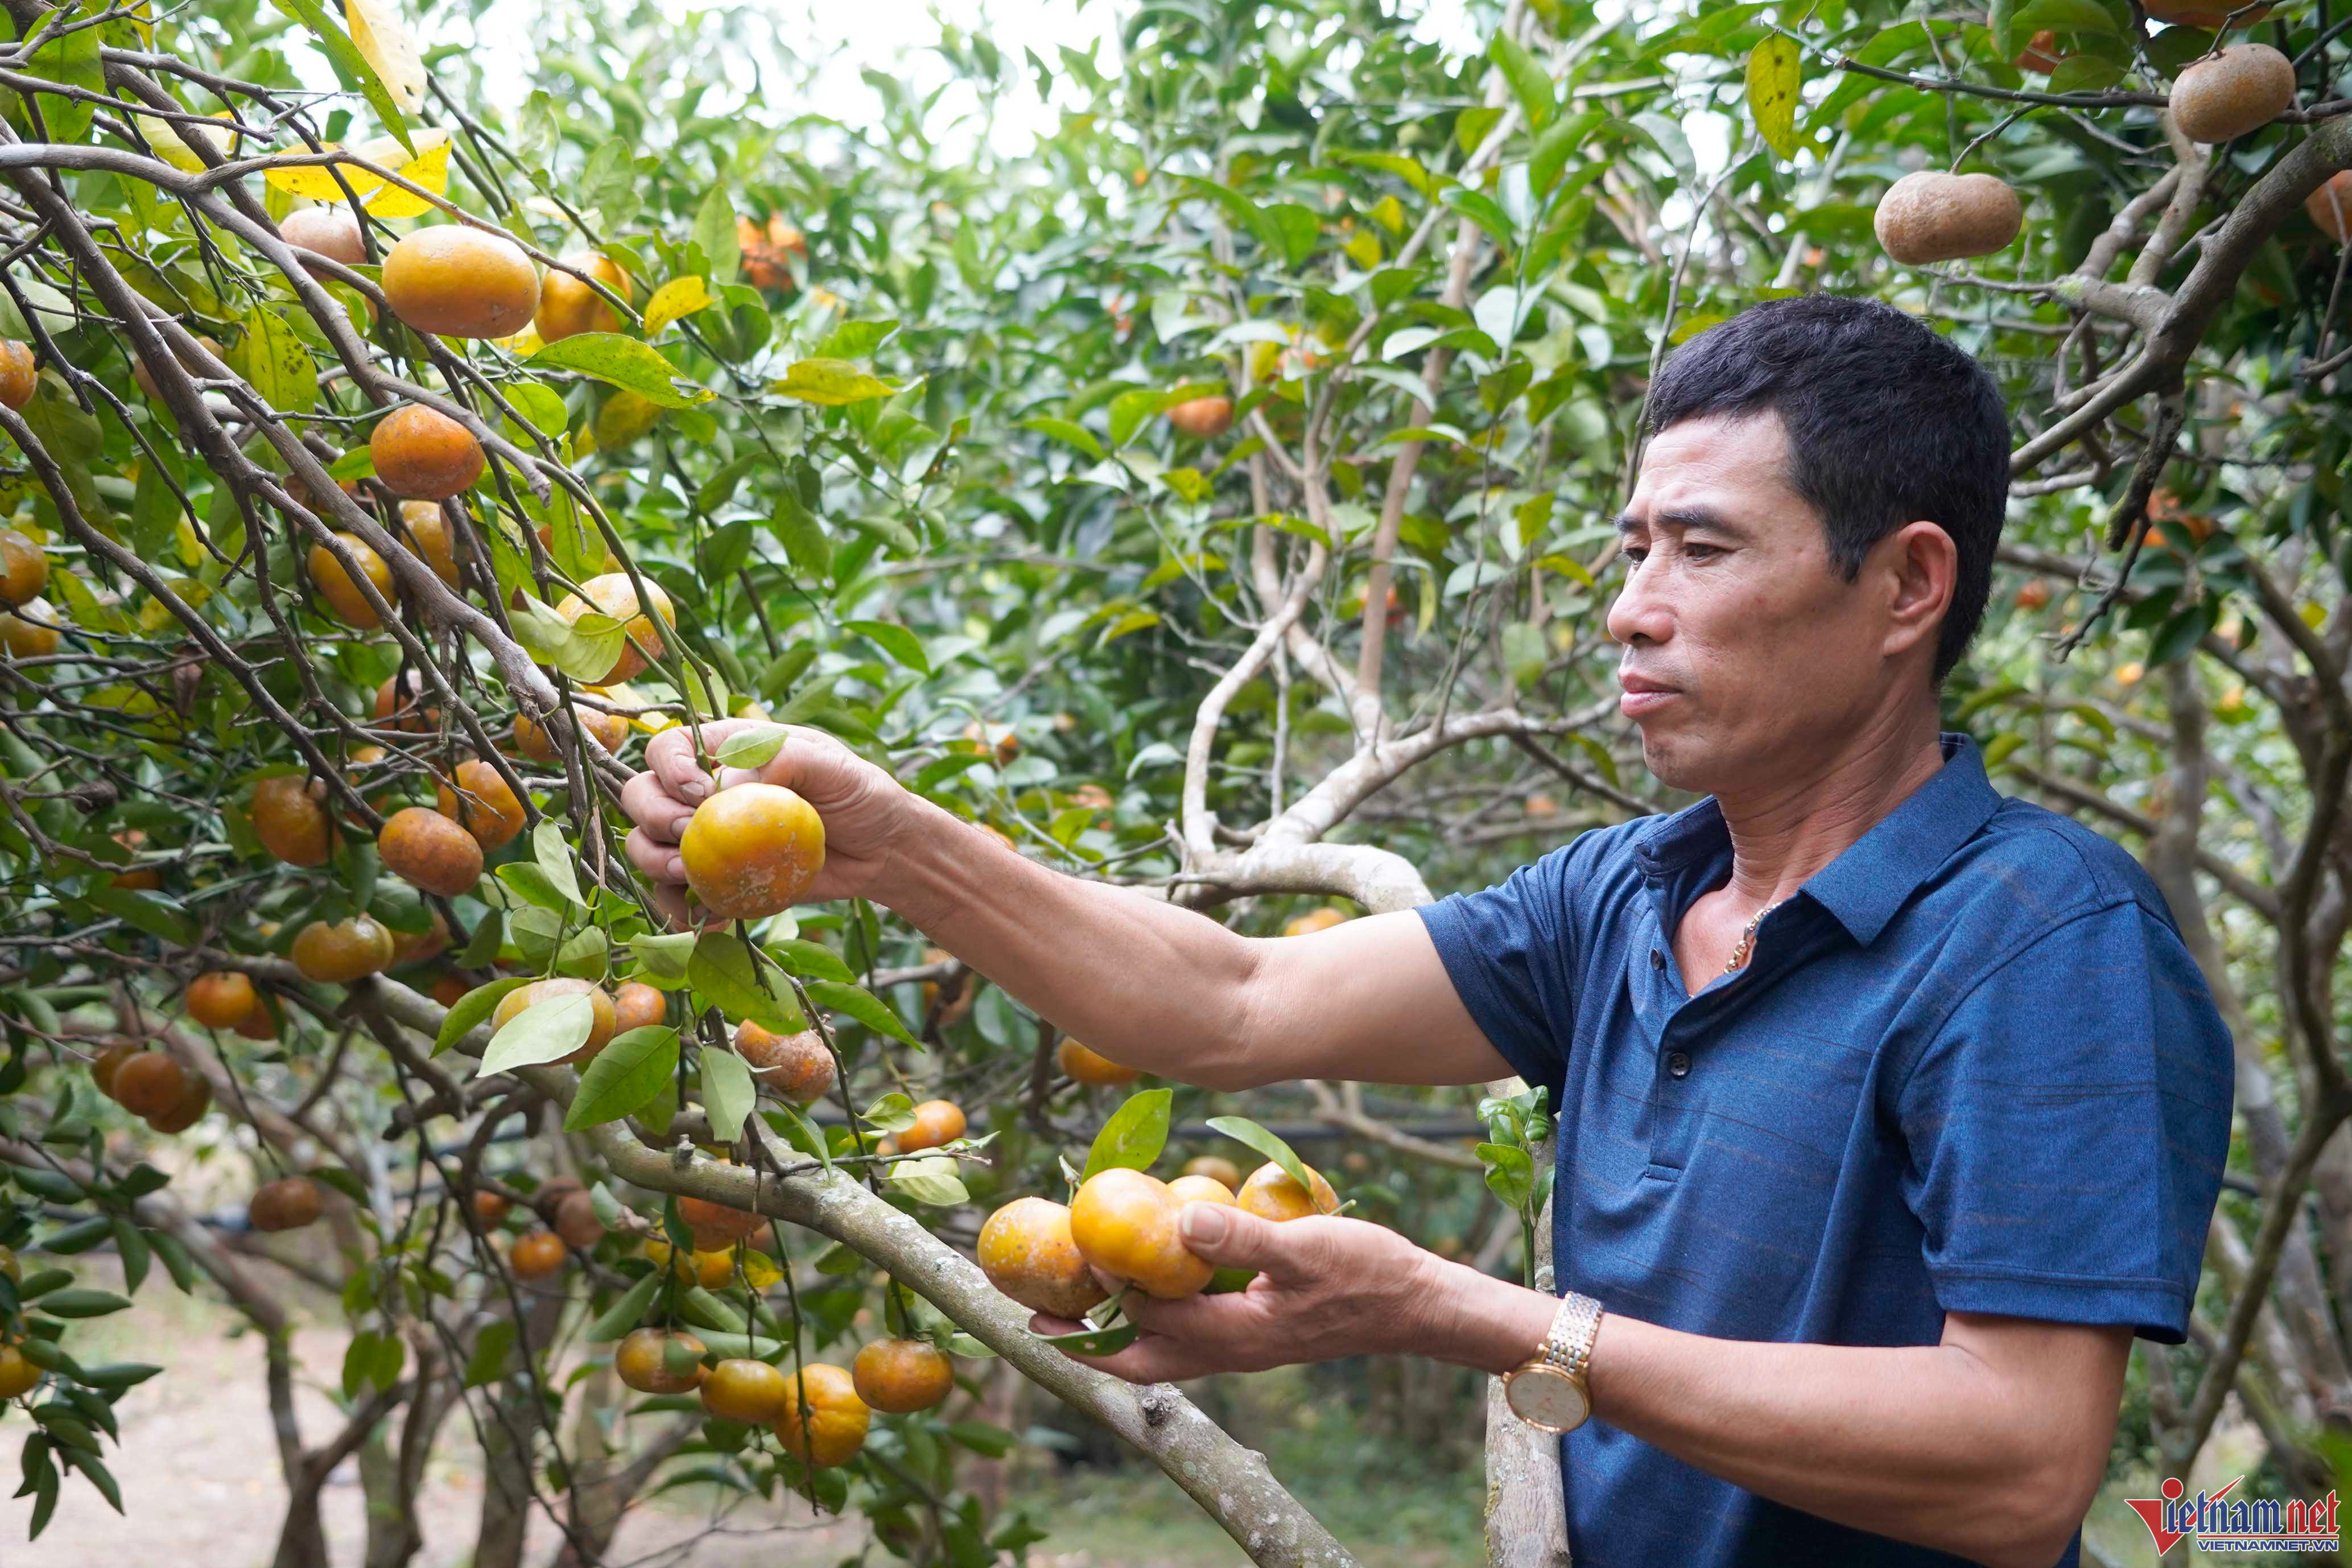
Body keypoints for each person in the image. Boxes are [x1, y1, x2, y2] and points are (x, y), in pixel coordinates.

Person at [620, 295, 2232, 1568]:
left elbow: (2019, 1464)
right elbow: (1230, 1005)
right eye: (1633, 547)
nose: (1630, 605)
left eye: (1705, 547)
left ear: (1905, 587)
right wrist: (890, 838)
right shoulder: (1630, 895)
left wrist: (1463, 1314)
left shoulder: (2040, 939)